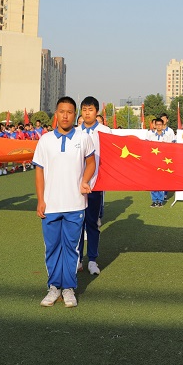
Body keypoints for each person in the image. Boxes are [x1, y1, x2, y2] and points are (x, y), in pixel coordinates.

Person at [33, 96, 96, 308]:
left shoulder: (83, 138)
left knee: (71, 248)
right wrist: (40, 200)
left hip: (75, 204)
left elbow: (91, 163)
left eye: (69, 112)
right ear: (56, 114)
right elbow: (39, 171)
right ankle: (53, 287)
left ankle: (68, 288)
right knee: (52, 247)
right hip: (50, 205)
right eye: (62, 111)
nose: (65, 116)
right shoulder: (45, 140)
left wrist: (85, 181)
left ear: (74, 114)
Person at [77, 96, 111, 276]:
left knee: (92, 223)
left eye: (90, 110)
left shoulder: (105, 131)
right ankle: (77, 259)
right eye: (84, 110)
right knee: (77, 223)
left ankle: (92, 260)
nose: (87, 113)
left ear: (96, 112)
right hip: (76, 186)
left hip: (95, 185)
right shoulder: (75, 132)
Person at [147, 119, 169, 207]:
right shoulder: (151, 137)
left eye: (160, 124)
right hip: (153, 161)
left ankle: (160, 200)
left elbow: (170, 149)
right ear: (155, 125)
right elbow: (148, 148)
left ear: (163, 126)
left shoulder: (166, 137)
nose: (159, 126)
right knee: (153, 181)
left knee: (161, 181)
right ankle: (154, 200)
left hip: (162, 161)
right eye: (157, 124)